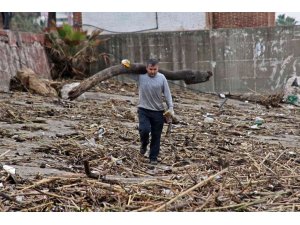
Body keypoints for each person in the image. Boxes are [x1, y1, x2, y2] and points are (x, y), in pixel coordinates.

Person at [137, 59, 174, 165]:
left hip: (158, 111)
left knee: (156, 135)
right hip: (143, 109)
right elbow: (127, 71)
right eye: (150, 69)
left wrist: (170, 107)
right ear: (146, 68)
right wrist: (125, 64)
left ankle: (153, 157)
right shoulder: (141, 76)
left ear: (158, 68)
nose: (152, 71)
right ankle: (144, 144)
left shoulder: (162, 78)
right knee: (144, 130)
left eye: (155, 69)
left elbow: (167, 93)